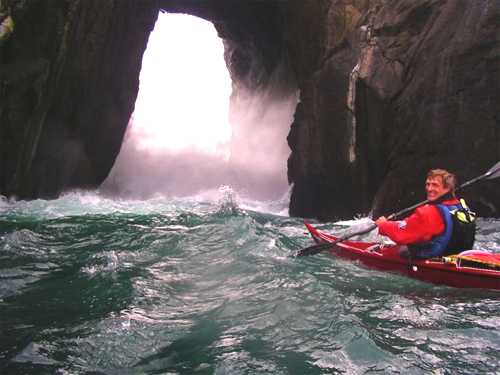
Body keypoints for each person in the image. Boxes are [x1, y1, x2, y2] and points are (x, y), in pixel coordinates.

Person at [375, 169, 476, 259]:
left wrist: (383, 225)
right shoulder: (463, 208)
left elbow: (402, 235)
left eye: (435, 185)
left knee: (401, 250)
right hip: (459, 259)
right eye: (428, 184)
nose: (429, 189)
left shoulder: (430, 212)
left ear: (447, 188)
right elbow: (415, 224)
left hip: (435, 262)